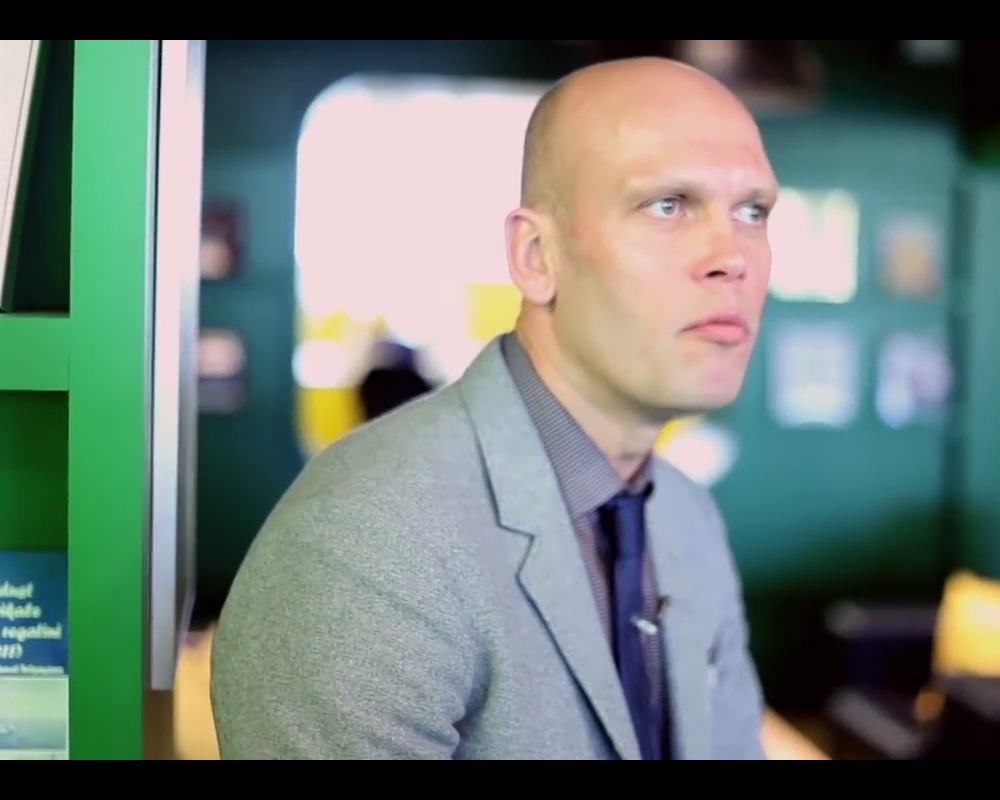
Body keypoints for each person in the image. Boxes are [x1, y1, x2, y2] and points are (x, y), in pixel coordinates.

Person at [211, 56, 779, 760]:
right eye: (668, 205)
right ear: (536, 256)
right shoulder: (366, 542)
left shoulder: (686, 519)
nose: (733, 256)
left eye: (753, 211)